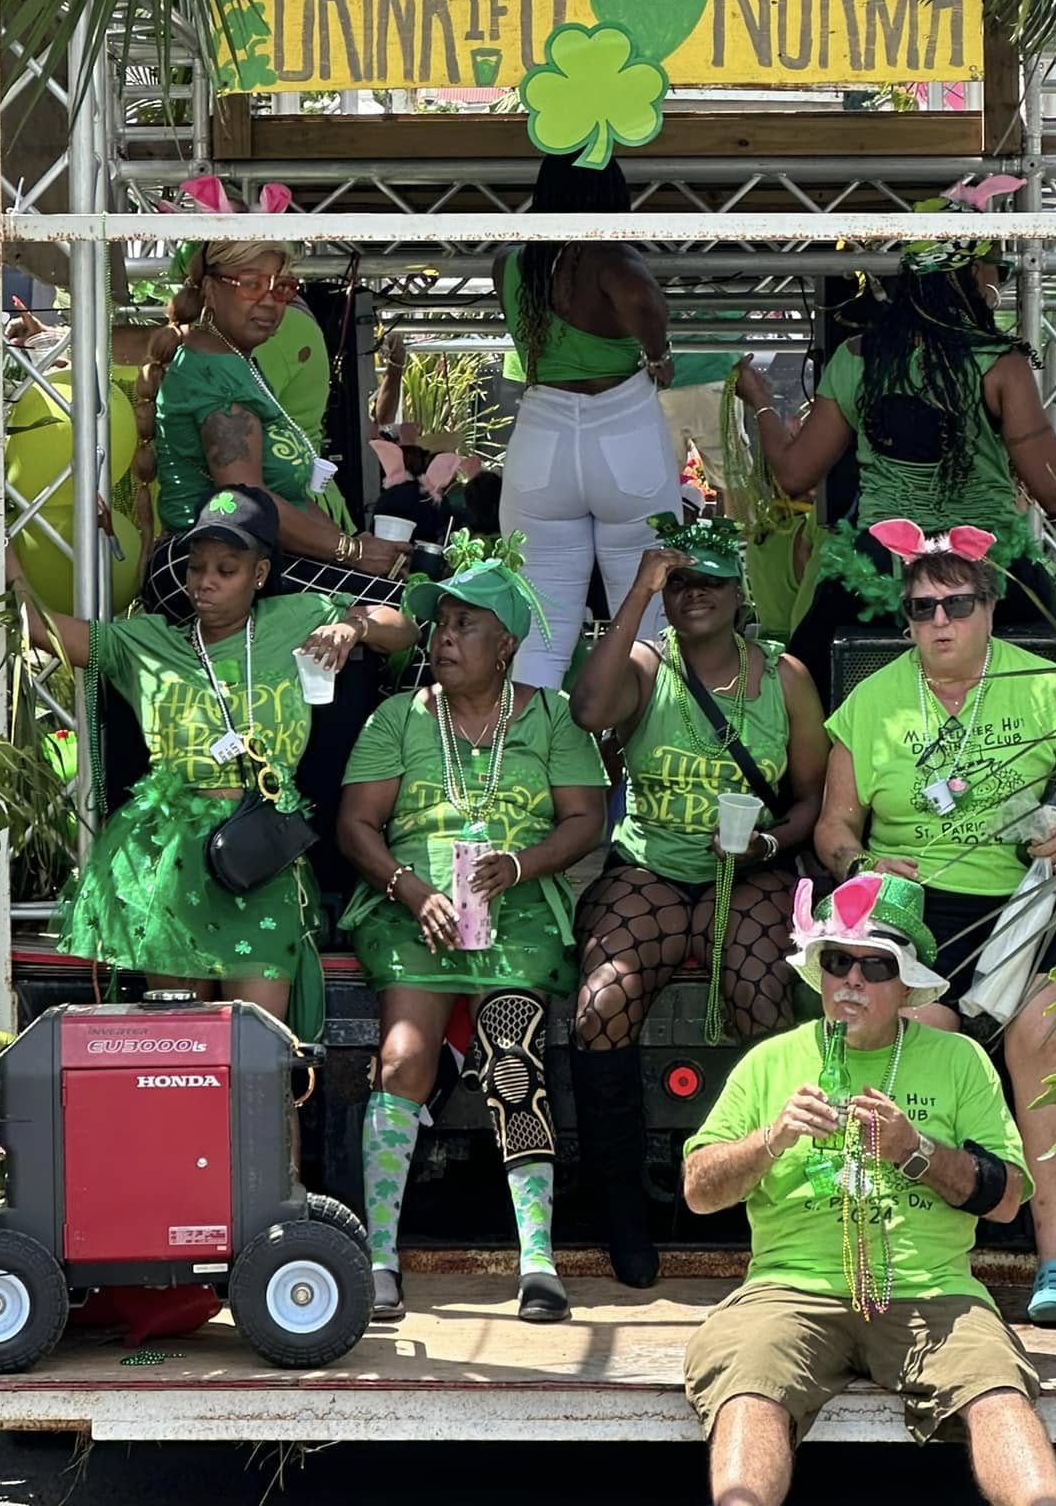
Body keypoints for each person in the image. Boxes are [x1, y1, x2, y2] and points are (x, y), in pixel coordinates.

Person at [684, 874, 1056, 1506]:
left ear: (906, 983)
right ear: (819, 972)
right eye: (838, 961)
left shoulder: (958, 1059)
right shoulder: (771, 1060)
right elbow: (698, 1190)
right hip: (790, 1292)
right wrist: (770, 1139)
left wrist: (916, 1152)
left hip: (932, 1292)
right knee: (748, 1385)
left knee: (996, 1390)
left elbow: (1007, 1197)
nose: (852, 980)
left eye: (875, 965)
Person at [814, 522, 1056, 1329]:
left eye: (957, 604)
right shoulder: (871, 702)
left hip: (1031, 903)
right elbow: (834, 825)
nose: (938, 621)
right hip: (913, 910)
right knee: (903, 1033)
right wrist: (859, 866)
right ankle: (899, 1260)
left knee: (1045, 1035)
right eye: (920, 607)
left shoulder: (1051, 688)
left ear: (989, 606)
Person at [9, 487, 417, 1035]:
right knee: (180, 1041)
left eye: (226, 568)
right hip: (172, 858)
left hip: (262, 854)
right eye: (197, 567)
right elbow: (39, 628)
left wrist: (354, 626)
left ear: (260, 573)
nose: (205, 581)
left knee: (264, 1047)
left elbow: (407, 628)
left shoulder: (296, 616)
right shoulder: (146, 642)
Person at [336, 542, 608, 1325]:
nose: (444, 637)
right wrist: (411, 889)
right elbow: (357, 825)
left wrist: (520, 866)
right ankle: (379, 1257)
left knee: (513, 1055)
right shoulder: (401, 716)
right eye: (440, 624)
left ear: (508, 645)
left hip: (516, 915)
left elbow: (585, 818)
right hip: (412, 912)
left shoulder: (550, 716)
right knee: (403, 1056)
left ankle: (537, 1262)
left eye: (465, 624)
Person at [568, 516, 830, 1287]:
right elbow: (588, 710)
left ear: (739, 591)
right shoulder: (648, 665)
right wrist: (640, 593)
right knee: (599, 1005)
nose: (694, 596)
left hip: (753, 868)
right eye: (681, 584)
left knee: (759, 992)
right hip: (653, 866)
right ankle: (622, 1216)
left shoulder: (785, 678)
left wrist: (771, 845)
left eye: (710, 581)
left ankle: (770, 1209)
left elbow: (812, 796)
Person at [734, 229, 1056, 708]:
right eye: (998, 270)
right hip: (985, 565)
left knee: (803, 689)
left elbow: (794, 475)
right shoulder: (1000, 366)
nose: (1002, 282)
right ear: (972, 274)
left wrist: (760, 403)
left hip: (877, 569)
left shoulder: (856, 360)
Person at [131, 238, 410, 623]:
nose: (269, 301)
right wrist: (351, 553)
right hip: (205, 567)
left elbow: (287, 495)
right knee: (408, 612)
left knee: (407, 605)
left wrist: (354, 549)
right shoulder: (214, 371)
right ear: (210, 289)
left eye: (281, 288)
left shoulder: (237, 361)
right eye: (251, 285)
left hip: (241, 559)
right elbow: (247, 498)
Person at [494, 156, 684, 688]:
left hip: (541, 438)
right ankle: (646, 761)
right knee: (647, 624)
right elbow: (640, 294)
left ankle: (527, 764)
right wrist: (658, 352)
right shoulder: (609, 253)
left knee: (541, 628)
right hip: (624, 431)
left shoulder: (510, 263)